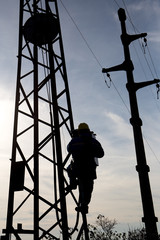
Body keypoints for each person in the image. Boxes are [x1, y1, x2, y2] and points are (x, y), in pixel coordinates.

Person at [67, 123, 104, 214]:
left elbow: (69, 149)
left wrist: (74, 138)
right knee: (87, 189)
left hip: (77, 168)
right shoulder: (93, 141)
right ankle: (84, 206)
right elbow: (101, 154)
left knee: (69, 169)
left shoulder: (75, 141)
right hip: (89, 169)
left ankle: (73, 184)